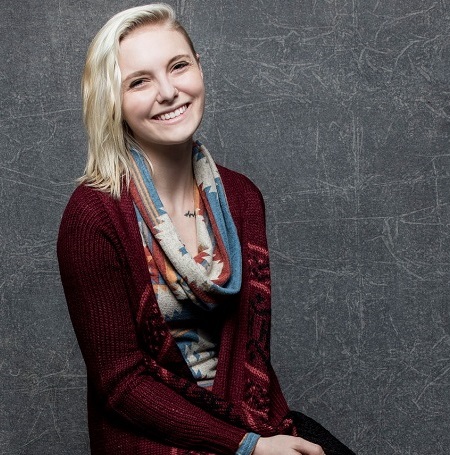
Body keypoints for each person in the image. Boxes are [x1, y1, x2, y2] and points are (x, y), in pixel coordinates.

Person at [57, 4, 356, 455]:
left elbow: (249, 351)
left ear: (199, 70)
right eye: (139, 81)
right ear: (111, 101)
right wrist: (247, 446)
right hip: (149, 438)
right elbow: (119, 384)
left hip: (244, 416)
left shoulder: (241, 197)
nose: (168, 91)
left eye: (179, 66)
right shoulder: (92, 217)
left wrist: (264, 435)